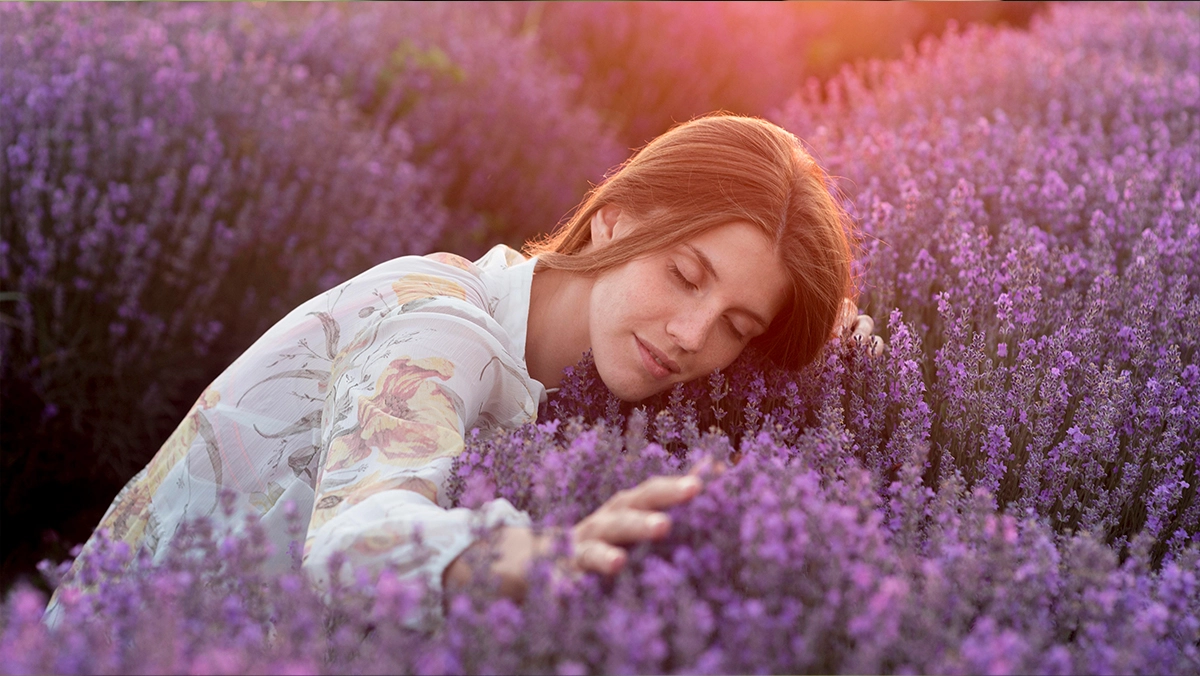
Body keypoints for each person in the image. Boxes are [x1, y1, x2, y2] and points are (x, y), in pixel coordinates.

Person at [44, 113, 881, 623]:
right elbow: (352, 540)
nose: (695, 336)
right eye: (685, 274)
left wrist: (838, 342)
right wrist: (536, 558)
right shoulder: (440, 326)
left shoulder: (571, 362)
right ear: (614, 219)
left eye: (737, 325)